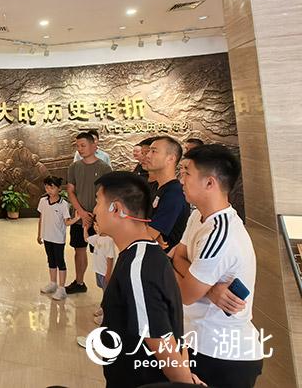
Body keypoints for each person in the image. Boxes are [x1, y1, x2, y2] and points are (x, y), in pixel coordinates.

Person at [92, 172, 201, 387]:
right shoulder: (145, 254)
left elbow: (160, 341)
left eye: (98, 202)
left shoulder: (138, 267)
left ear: (116, 209)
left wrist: (185, 382)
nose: (94, 210)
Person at [171, 145, 263, 387]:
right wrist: (210, 289)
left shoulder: (221, 233)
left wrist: (193, 283)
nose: (181, 180)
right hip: (198, 341)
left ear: (210, 182)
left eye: (187, 173)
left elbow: (186, 294)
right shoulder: (197, 216)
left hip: (223, 354)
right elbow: (177, 256)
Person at [66, 132, 112, 294]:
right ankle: (79, 282)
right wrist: (82, 213)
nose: (80, 149)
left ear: (94, 146)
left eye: (83, 145)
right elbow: (70, 191)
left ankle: (106, 291)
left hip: (98, 220)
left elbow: (107, 195)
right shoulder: (74, 167)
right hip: (79, 217)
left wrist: (94, 216)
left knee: (101, 253)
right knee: (79, 249)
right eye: (77, 146)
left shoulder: (104, 168)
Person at [144, 136, 190, 252]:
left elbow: (148, 236)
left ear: (171, 158)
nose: (148, 155)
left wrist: (153, 234)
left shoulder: (175, 192)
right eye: (149, 151)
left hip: (165, 259)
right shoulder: (154, 186)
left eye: (154, 151)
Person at [36, 176, 75, 301]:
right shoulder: (43, 201)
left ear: (59, 189)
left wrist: (77, 218)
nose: (49, 190)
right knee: (51, 260)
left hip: (58, 238)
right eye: (47, 187)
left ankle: (61, 288)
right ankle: (53, 283)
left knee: (60, 262)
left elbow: (67, 222)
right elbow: (41, 218)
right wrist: (39, 234)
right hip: (47, 237)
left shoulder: (64, 204)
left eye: (52, 188)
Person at [83, 219, 116, 325]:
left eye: (97, 225)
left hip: (105, 272)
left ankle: (107, 316)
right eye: (94, 225)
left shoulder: (109, 240)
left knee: (107, 293)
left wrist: (108, 273)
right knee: (103, 290)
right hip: (98, 271)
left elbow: (110, 258)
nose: (95, 227)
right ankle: (103, 307)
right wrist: (85, 228)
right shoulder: (97, 237)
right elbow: (86, 239)